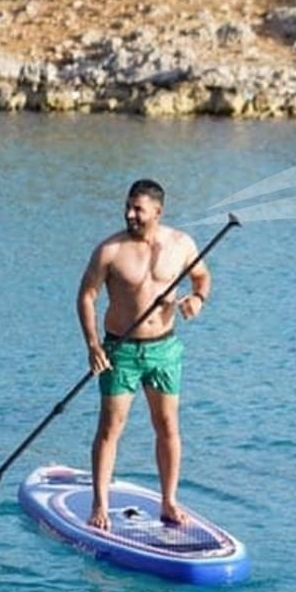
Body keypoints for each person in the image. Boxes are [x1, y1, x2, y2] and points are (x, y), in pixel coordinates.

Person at [77, 179, 211, 532]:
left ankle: (168, 501)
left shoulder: (182, 244)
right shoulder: (110, 250)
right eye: (128, 207)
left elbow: (202, 277)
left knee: (167, 426)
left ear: (157, 211)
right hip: (119, 351)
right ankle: (99, 504)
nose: (130, 214)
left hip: (164, 349)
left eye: (138, 209)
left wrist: (197, 299)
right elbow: (86, 296)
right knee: (110, 428)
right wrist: (93, 345)